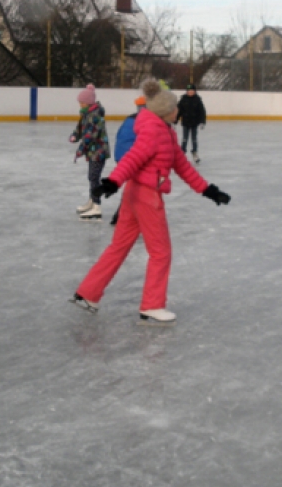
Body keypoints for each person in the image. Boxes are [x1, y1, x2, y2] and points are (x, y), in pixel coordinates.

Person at [70, 79, 231, 326]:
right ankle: (152, 306)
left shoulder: (164, 131)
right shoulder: (154, 131)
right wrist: (112, 182)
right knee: (161, 252)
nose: (178, 110)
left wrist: (209, 190)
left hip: (135, 194)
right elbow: (132, 158)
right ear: (166, 110)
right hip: (146, 196)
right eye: (175, 107)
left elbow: (184, 167)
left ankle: (87, 293)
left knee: (118, 246)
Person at [69, 84, 111, 221]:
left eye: (81, 103)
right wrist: (75, 135)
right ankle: (92, 201)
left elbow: (90, 135)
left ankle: (97, 206)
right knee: (92, 176)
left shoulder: (95, 115)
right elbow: (80, 128)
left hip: (99, 151)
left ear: (88, 103)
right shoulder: (86, 113)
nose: (80, 105)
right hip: (93, 151)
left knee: (94, 177)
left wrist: (80, 150)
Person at [110, 94, 147, 226]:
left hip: (121, 156)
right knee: (137, 187)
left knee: (134, 186)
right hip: (131, 158)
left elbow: (120, 138)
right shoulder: (144, 121)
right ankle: (123, 215)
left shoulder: (130, 119)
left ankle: (122, 214)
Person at [176, 83, 207, 163]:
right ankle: (182, 153)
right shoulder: (183, 99)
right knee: (184, 139)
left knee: (194, 139)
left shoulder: (197, 100)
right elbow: (178, 111)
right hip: (185, 122)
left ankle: (194, 152)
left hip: (194, 122)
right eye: (188, 90)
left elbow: (202, 112)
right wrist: (174, 120)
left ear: (195, 91)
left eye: (192, 90)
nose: (190, 92)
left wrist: (202, 122)